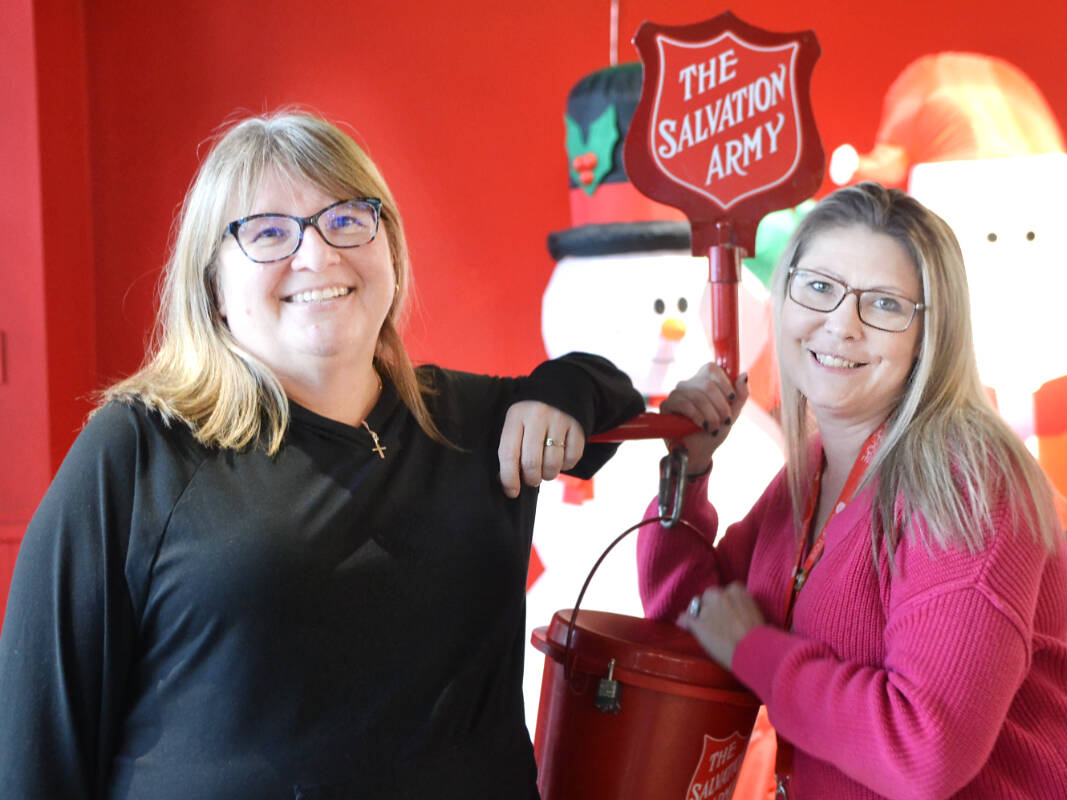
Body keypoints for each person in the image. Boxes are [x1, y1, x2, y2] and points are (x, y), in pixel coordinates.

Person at [0, 110, 643, 799]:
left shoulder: (470, 423)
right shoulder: (139, 448)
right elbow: (38, 744)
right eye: (269, 232)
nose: (316, 256)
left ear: (389, 250)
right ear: (212, 285)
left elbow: (616, 390)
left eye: (346, 220)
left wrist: (567, 389)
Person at [637, 183, 1067, 798]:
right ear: (784, 296)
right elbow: (693, 626)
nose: (841, 325)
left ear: (931, 334)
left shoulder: (966, 479)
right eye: (819, 287)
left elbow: (925, 749)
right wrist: (685, 471)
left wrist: (755, 651)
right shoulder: (814, 472)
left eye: (883, 304)